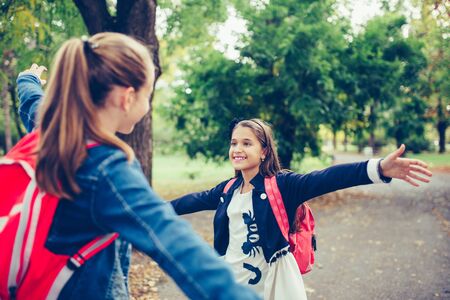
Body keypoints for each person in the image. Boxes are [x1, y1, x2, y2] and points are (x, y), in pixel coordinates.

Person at [14, 33, 261, 299]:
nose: (147, 104)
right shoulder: (107, 168)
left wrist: (26, 79)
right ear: (128, 98)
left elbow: (32, 103)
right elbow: (175, 244)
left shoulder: (54, 132)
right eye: (148, 94)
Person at [170, 118, 432, 299]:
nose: (237, 149)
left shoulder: (282, 185)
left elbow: (327, 177)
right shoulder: (227, 191)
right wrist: (145, 210)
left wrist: (377, 169)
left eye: (247, 143)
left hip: (269, 289)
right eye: (234, 143)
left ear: (264, 151)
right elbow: (190, 201)